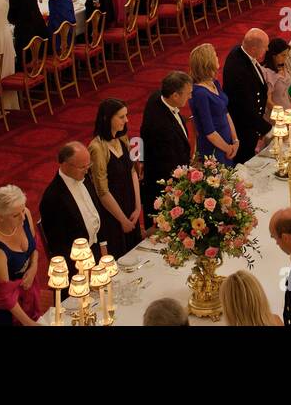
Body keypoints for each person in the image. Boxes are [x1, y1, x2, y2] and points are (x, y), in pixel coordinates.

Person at [39, 143, 105, 277]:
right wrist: (84, 267)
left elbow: (95, 212)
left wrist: (103, 245)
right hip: (75, 264)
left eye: (88, 165)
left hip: (95, 249)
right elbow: (58, 244)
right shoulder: (52, 198)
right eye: (82, 167)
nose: (87, 170)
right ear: (65, 165)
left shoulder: (84, 178)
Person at [0, 185, 42, 326]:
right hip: (5, 312)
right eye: (15, 215)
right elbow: (5, 295)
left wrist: (33, 268)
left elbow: (34, 246)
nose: (22, 217)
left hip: (27, 293)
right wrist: (29, 324)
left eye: (22, 209)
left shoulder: (24, 214)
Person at [89, 98, 142, 258]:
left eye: (126, 115)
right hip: (113, 215)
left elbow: (132, 171)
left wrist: (138, 207)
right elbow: (102, 191)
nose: (126, 120)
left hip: (130, 207)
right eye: (121, 117)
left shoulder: (123, 138)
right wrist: (123, 220)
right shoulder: (97, 148)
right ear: (107, 118)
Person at [139, 71, 193, 227]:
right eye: (188, 94)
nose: (190, 97)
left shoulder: (157, 97)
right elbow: (168, 163)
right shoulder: (161, 126)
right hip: (163, 184)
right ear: (175, 95)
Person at [223, 29, 273, 163]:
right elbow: (245, 109)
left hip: (251, 124)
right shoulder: (239, 70)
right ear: (254, 48)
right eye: (265, 46)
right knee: (245, 162)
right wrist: (268, 130)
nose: (267, 49)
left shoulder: (243, 54)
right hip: (243, 127)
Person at [188, 43, 238, 163]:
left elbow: (225, 112)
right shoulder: (200, 93)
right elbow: (209, 131)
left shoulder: (214, 83)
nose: (217, 58)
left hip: (227, 143)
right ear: (207, 62)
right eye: (215, 55)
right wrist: (227, 148)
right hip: (214, 150)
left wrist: (235, 140)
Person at [261, 39, 291, 117]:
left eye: (287, 55)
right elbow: (268, 101)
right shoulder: (266, 73)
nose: (286, 58)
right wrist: (281, 115)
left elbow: (285, 92)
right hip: (275, 115)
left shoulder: (284, 67)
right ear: (274, 55)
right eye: (283, 55)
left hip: (288, 112)